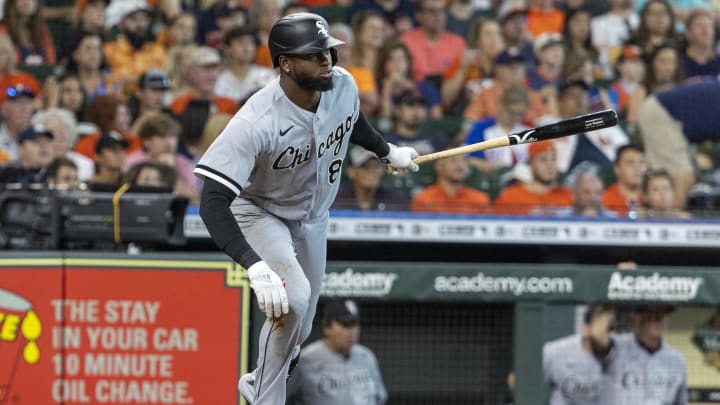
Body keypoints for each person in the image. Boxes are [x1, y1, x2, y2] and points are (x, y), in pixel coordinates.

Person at [193, 13, 419, 405]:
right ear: (285, 63)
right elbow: (212, 200)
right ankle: (264, 396)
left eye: (328, 50)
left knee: (300, 326)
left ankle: (260, 380)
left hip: (314, 218)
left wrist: (387, 152)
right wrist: (254, 263)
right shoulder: (256, 120)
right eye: (314, 54)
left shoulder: (342, 84)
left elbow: (351, 121)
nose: (327, 59)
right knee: (292, 298)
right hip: (263, 212)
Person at [286, 299, 388, 405]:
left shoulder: (367, 357)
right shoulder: (305, 360)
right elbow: (282, 397)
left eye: (355, 324)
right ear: (327, 327)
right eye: (345, 325)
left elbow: (380, 397)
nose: (352, 331)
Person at [637, 80, 720, 208]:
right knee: (683, 177)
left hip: (681, 126)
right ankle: (673, 224)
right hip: (662, 114)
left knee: (688, 178)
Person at [601, 304, 688, 405]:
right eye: (654, 317)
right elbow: (596, 336)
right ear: (637, 318)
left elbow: (680, 401)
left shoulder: (676, 359)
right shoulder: (615, 347)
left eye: (663, 316)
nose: (660, 321)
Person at [543, 303, 615, 405]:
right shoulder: (558, 351)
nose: (609, 335)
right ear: (586, 329)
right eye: (606, 328)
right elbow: (521, 379)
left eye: (611, 329)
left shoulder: (621, 352)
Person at [494, 141, 572, 215]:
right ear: (530, 164)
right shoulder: (510, 197)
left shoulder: (568, 196)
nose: (550, 165)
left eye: (553, 159)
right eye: (543, 160)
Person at [333, 146, 409, 211]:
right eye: (366, 167)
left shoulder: (394, 200)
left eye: (376, 166)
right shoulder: (337, 199)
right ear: (351, 172)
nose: (373, 172)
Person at [411, 153, 491, 214]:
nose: (460, 165)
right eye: (453, 160)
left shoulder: (480, 199)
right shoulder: (423, 199)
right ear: (439, 166)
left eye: (463, 161)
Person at [603, 144, 647, 217]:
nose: (637, 167)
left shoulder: (655, 198)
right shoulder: (604, 200)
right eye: (630, 162)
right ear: (617, 168)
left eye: (641, 162)